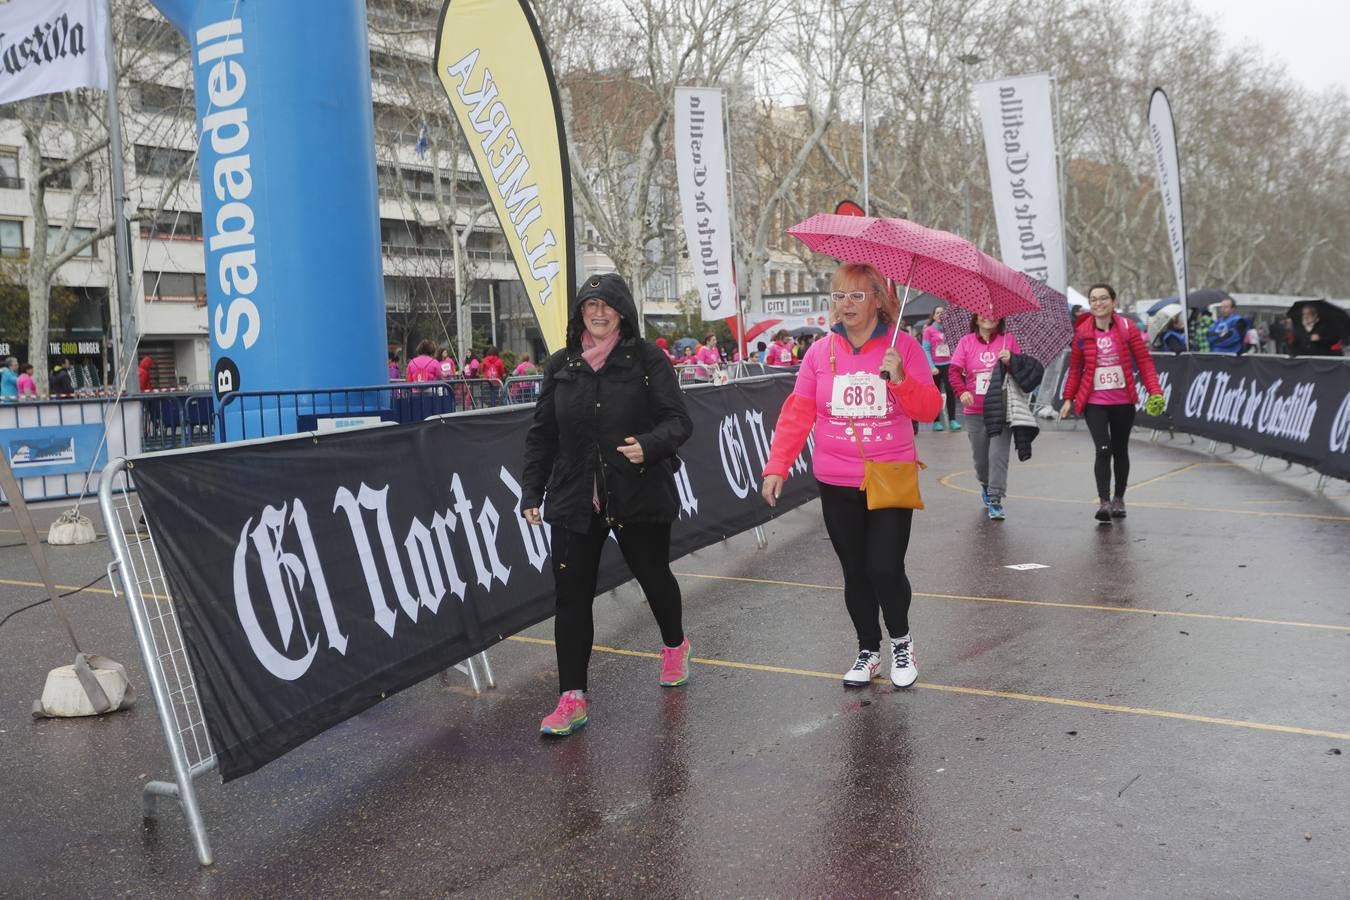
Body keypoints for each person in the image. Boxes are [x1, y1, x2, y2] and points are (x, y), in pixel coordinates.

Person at [521, 273, 693, 737]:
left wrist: (650, 444)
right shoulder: (561, 365)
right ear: (579, 313)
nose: (597, 313)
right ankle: (571, 697)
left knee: (654, 576)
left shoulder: (646, 359)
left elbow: (678, 421)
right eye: (589, 306)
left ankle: (675, 644)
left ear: (623, 312)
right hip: (575, 497)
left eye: (607, 305)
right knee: (571, 597)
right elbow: (542, 436)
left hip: (637, 490)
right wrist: (531, 492)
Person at [760, 262, 941, 689]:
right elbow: (798, 412)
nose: (847, 304)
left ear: (879, 299)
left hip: (889, 473)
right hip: (835, 479)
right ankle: (867, 649)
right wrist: (777, 465)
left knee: (885, 567)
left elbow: (929, 409)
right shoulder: (821, 352)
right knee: (855, 571)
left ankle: (901, 641)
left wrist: (899, 380)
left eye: (858, 295)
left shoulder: (904, 348)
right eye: (840, 295)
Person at [1059, 283, 1164, 523]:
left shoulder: (1128, 329)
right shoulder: (1083, 332)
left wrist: (1154, 392)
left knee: (1120, 449)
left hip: (1123, 400)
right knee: (1103, 448)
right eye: (1093, 299)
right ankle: (1104, 502)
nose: (1098, 303)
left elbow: (1145, 362)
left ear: (1114, 301)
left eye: (1103, 298)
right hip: (1094, 401)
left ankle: (1119, 499)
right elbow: (1075, 368)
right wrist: (1068, 398)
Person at [948, 312, 1024, 520]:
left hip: (1001, 410)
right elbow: (954, 372)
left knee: (997, 456)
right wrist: (962, 391)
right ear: (976, 318)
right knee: (981, 460)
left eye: (993, 314)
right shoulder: (966, 342)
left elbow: (1021, 373)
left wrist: (1012, 361)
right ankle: (985, 483)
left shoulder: (1008, 341)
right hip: (975, 411)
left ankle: (995, 499)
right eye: (983, 313)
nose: (988, 318)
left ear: (1000, 319)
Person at [921, 306, 960, 431]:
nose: (940, 315)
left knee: (950, 392)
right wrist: (931, 366)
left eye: (942, 313)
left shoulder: (951, 329)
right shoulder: (929, 330)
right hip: (935, 367)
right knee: (935, 394)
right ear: (933, 316)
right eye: (937, 313)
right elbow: (925, 349)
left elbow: (955, 347)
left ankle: (952, 420)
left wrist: (955, 363)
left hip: (949, 364)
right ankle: (936, 421)